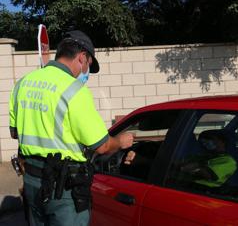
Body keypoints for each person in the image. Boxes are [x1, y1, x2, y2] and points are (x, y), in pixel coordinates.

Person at [9, 30, 134, 226]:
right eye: (88, 66)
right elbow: (101, 146)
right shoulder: (75, 91)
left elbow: (14, 132)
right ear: (82, 57)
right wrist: (121, 141)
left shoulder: (22, 84)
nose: (85, 73)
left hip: (32, 181)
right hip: (64, 188)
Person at [125, 130, 237, 188]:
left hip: (200, 191)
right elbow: (175, 163)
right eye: (204, 141)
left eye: (212, 140)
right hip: (182, 184)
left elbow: (206, 174)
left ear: (222, 141)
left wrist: (193, 168)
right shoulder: (207, 156)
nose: (207, 143)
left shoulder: (229, 161)